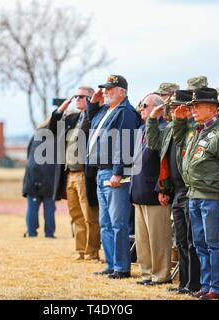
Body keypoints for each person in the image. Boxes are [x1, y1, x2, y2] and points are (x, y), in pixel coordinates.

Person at [172, 88, 219, 300]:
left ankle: (218, 288)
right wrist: (179, 121)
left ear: (212, 108)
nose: (192, 109)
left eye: (197, 106)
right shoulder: (198, 130)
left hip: (212, 198)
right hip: (194, 195)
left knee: (214, 244)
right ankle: (206, 286)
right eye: (192, 106)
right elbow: (179, 142)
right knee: (200, 244)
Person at [147, 90, 201, 294]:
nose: (175, 109)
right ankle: (184, 283)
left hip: (191, 189)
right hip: (177, 190)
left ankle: (194, 283)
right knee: (181, 240)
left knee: (192, 240)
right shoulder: (171, 127)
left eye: (181, 106)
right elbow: (153, 144)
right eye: (173, 106)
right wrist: (152, 120)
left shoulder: (195, 128)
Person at [87, 75, 141, 279]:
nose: (106, 92)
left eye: (110, 89)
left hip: (114, 172)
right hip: (102, 171)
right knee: (106, 222)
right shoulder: (106, 110)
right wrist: (93, 102)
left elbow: (125, 143)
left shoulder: (125, 112)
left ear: (122, 92)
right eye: (105, 89)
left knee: (118, 223)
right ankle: (110, 264)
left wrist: (118, 172)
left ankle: (121, 267)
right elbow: (92, 122)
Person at [49, 86, 100, 261]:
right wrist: (61, 109)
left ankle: (92, 251)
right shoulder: (72, 118)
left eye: (82, 96)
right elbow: (52, 129)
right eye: (76, 96)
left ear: (91, 99)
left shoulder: (94, 117)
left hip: (85, 174)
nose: (77, 99)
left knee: (90, 216)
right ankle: (80, 250)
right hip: (69, 174)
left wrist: (93, 106)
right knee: (76, 215)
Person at [130, 94, 172, 286]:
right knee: (143, 239)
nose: (141, 109)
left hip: (155, 192)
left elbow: (166, 163)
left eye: (145, 106)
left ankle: (160, 275)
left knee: (158, 238)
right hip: (139, 190)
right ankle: (146, 273)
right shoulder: (141, 129)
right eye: (141, 106)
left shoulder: (164, 129)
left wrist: (163, 188)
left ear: (158, 109)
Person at [22, 119, 57, 238]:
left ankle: (32, 232)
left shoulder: (36, 136)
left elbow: (28, 155)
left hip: (33, 176)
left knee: (32, 207)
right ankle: (49, 233)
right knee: (49, 207)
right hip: (50, 178)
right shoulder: (56, 138)